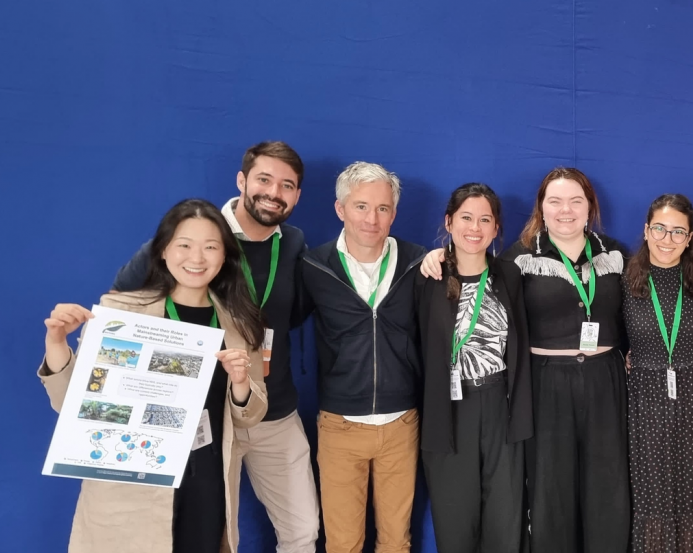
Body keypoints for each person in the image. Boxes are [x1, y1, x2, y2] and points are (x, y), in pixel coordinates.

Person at [420, 168, 693, 552]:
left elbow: (664, 269)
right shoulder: (518, 258)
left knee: (608, 489)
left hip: (605, 381)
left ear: (590, 207)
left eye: (576, 201)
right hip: (546, 384)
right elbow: (471, 264)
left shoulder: (615, 254)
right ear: (541, 208)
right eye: (555, 201)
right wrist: (438, 255)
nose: (566, 210)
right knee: (551, 493)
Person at [111, 141, 319, 552]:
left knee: (303, 531)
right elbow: (125, 305)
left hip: (272, 410)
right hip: (204, 419)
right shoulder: (197, 234)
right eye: (263, 179)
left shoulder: (294, 244)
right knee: (216, 536)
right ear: (242, 180)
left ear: (297, 195)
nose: (274, 193)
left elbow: (292, 315)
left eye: (287, 185)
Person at [39, 199, 269, 553]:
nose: (197, 258)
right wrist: (57, 342)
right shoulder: (122, 313)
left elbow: (251, 414)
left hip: (205, 477)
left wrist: (240, 384)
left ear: (225, 256)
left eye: (210, 247)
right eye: (184, 245)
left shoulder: (239, 323)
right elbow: (71, 403)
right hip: (131, 479)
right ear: (163, 250)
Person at [301, 161, 426, 553]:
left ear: (394, 213)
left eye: (383, 208)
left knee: (395, 542)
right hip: (340, 427)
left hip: (401, 425)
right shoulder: (313, 266)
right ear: (340, 209)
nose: (372, 218)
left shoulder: (419, 263)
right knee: (343, 544)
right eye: (361, 206)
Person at [415, 183, 533, 553]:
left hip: (500, 406)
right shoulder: (426, 277)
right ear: (449, 222)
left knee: (505, 518)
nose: (475, 228)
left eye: (485, 219)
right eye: (466, 217)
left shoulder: (510, 275)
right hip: (447, 412)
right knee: (455, 523)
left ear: (497, 228)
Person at [622, 194, 693, 553]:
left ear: (690, 238)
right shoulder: (624, 279)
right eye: (660, 229)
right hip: (644, 403)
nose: (667, 239)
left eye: (679, 232)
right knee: (652, 495)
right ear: (646, 230)